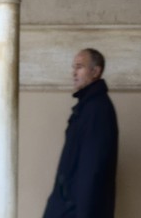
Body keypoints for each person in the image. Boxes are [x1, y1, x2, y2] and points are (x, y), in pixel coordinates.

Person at [42, 47, 118, 218]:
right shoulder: (88, 107)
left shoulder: (97, 110)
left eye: (79, 67)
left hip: (75, 210)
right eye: (73, 68)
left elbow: (91, 170)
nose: (74, 73)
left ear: (95, 72)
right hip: (69, 207)